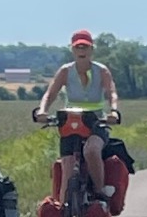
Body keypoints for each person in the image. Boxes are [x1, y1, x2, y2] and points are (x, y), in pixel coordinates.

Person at [37, 29, 121, 201]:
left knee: (91, 150)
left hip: (96, 122)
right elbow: (50, 94)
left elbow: (111, 93)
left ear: (91, 50)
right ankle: (63, 208)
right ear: (72, 50)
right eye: (78, 47)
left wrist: (113, 111)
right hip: (70, 123)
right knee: (67, 166)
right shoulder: (65, 71)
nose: (81, 51)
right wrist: (42, 110)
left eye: (85, 47)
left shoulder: (101, 71)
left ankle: (99, 191)